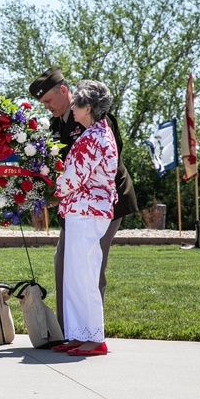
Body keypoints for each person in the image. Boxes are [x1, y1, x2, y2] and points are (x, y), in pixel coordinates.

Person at [29, 66, 139, 332]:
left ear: (64, 91)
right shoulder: (55, 125)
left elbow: (95, 170)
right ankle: (70, 331)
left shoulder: (101, 124)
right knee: (65, 264)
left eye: (48, 101)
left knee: (89, 269)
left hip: (103, 205)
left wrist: (54, 194)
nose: (46, 108)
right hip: (76, 205)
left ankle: (88, 331)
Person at [49, 80, 118, 355]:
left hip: (86, 212)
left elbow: (73, 178)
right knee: (76, 275)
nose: (73, 109)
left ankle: (94, 338)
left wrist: (52, 187)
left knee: (84, 276)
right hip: (88, 211)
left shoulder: (92, 138)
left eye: (77, 104)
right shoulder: (100, 133)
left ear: (87, 107)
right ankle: (80, 334)